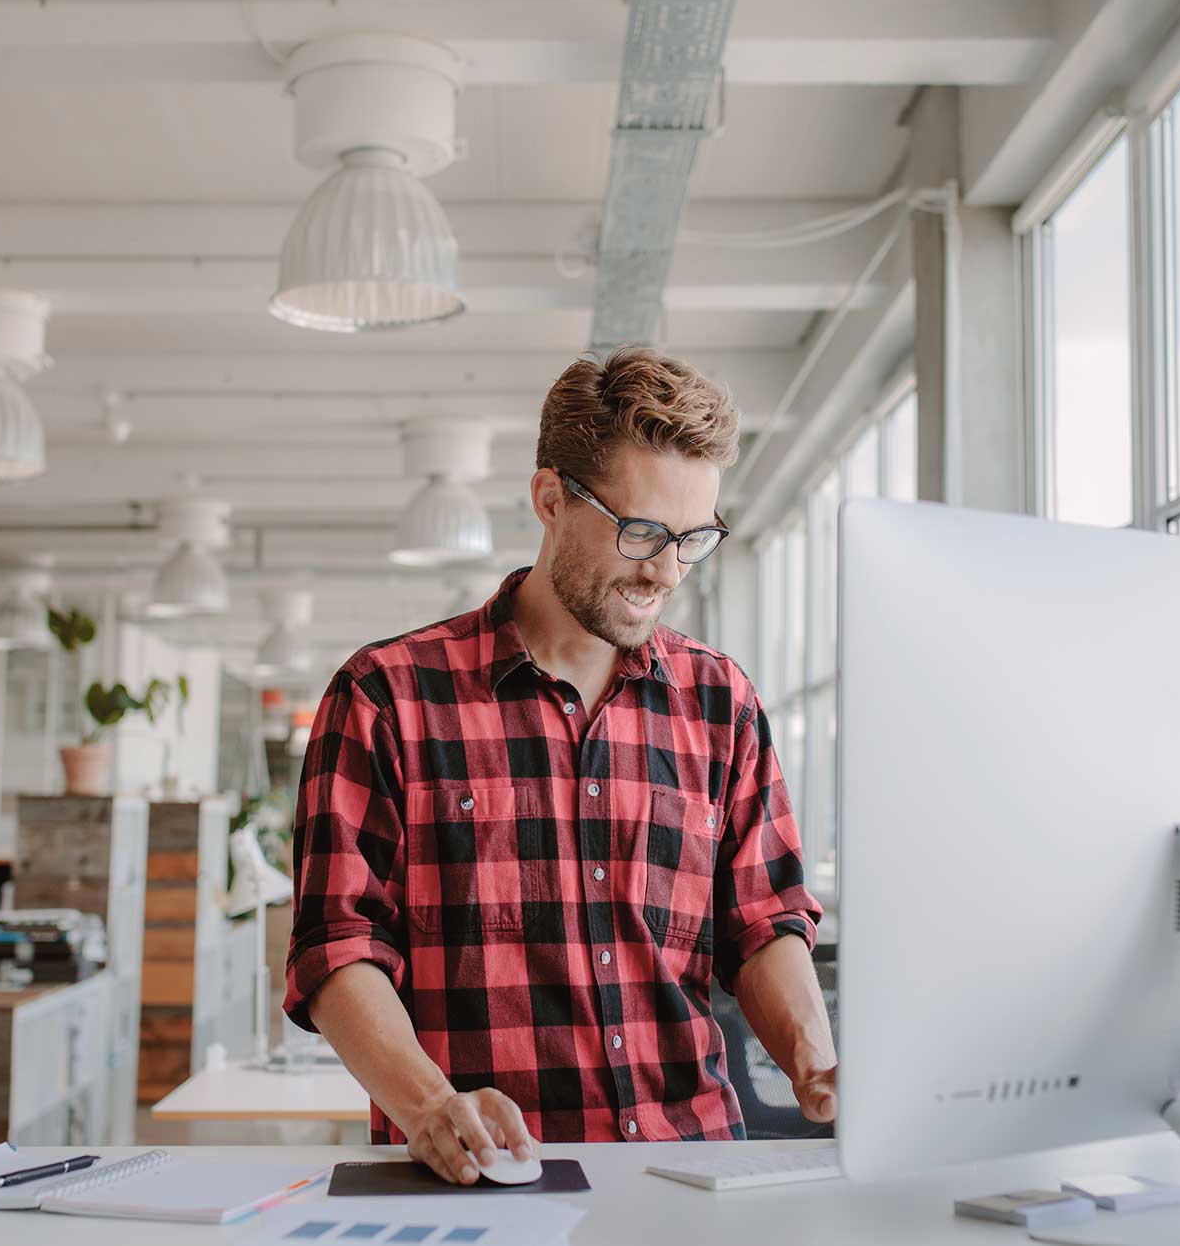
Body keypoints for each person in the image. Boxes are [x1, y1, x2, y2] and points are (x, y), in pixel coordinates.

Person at [284, 347, 834, 1185]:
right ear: (551, 499)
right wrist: (430, 1104)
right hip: (483, 1181)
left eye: (694, 538)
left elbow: (763, 921)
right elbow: (338, 946)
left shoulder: (721, 702)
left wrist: (816, 1064)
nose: (666, 569)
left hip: (691, 1175)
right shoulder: (386, 696)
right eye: (642, 531)